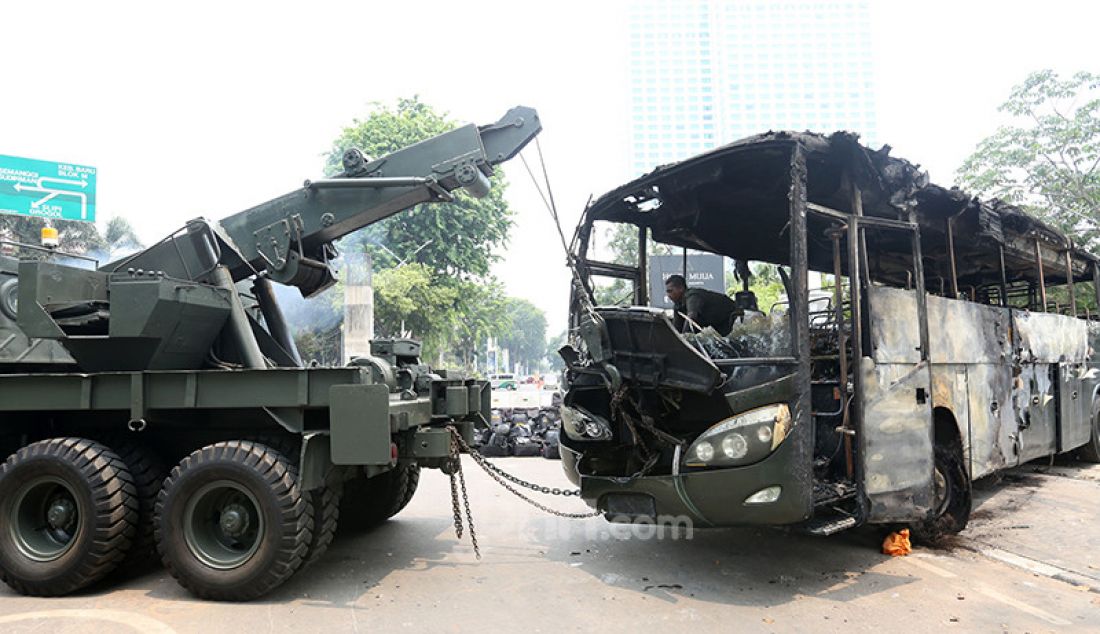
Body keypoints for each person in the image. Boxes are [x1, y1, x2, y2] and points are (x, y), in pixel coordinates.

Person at [665, 274, 740, 335]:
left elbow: (691, 317)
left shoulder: (693, 296)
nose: (668, 295)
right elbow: (676, 330)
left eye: (670, 291)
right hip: (718, 325)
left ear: (681, 288)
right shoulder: (678, 306)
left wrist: (684, 339)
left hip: (732, 318)